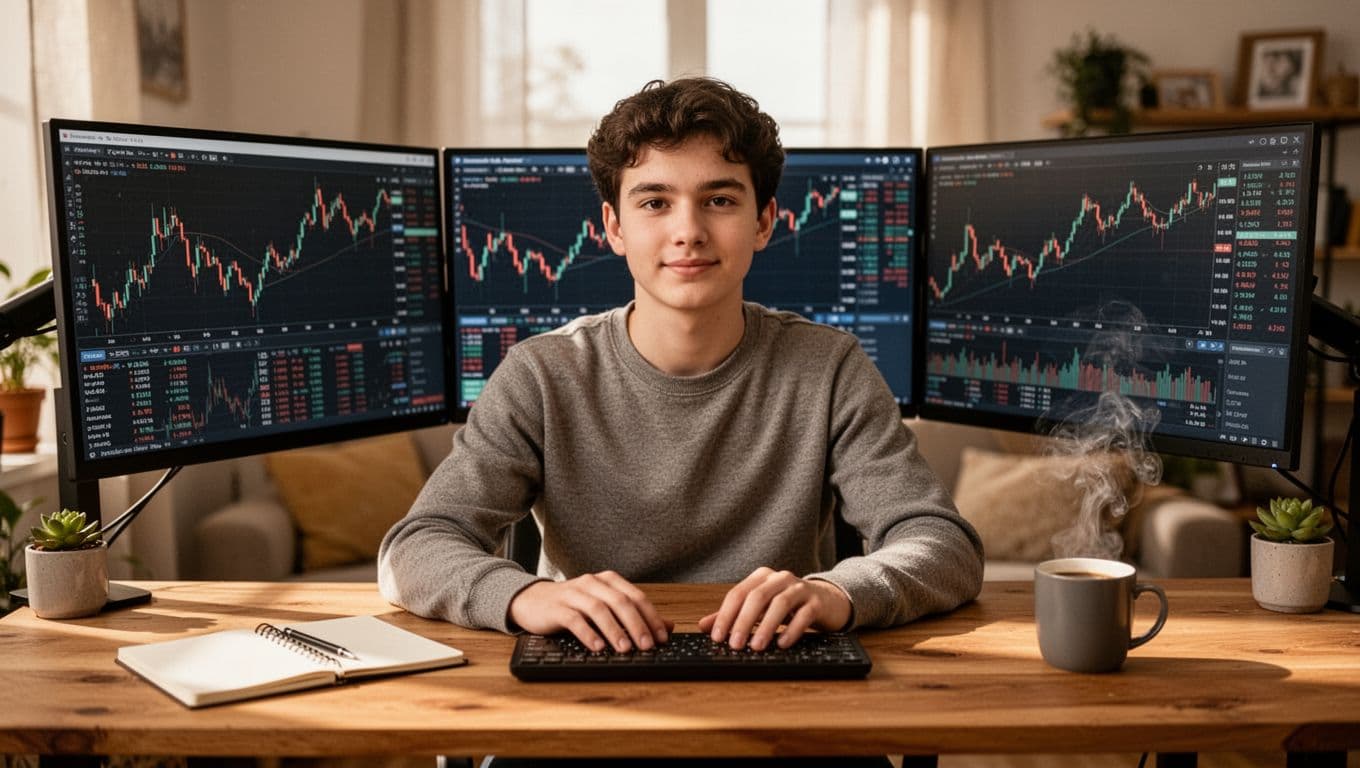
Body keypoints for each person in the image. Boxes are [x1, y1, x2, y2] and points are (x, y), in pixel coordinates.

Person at [378, 77, 983, 660]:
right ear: (614, 227)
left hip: (780, 668)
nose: (688, 231)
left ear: (763, 222)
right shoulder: (539, 374)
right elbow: (415, 547)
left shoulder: (831, 368)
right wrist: (526, 596)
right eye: (655, 202)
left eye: (719, 200)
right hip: (587, 671)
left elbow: (944, 544)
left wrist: (837, 593)